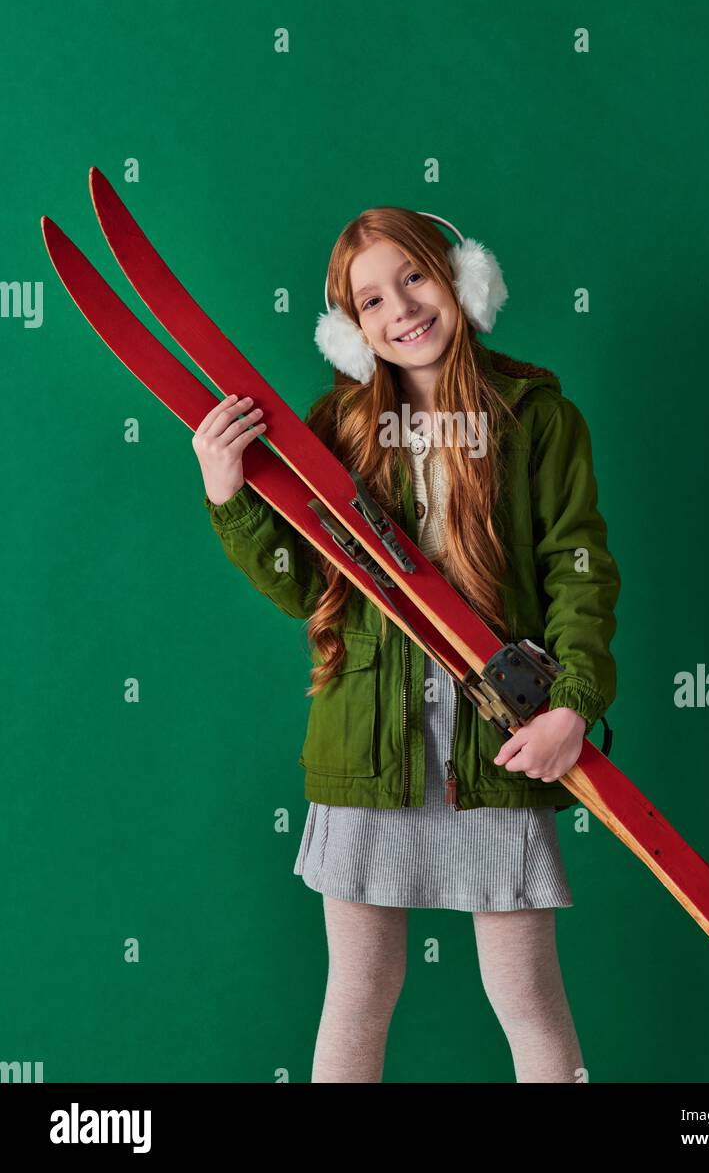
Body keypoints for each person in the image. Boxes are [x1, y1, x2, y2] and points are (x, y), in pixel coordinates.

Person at [192, 207, 621, 1082]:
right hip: (366, 748)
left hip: (499, 747)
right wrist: (229, 494)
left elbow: (579, 573)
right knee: (359, 988)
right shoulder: (336, 427)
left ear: (461, 276)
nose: (402, 310)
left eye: (415, 278)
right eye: (372, 300)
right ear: (353, 330)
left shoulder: (536, 415)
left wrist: (573, 704)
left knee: (527, 996)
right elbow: (308, 586)